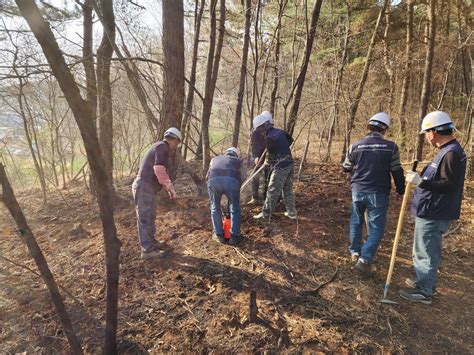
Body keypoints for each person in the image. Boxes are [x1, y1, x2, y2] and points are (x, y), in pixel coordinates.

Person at [399, 111, 466, 304]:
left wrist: (421, 182)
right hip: (431, 210)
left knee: (426, 252)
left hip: (435, 212)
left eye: (427, 132)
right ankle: (424, 281)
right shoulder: (446, 151)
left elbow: (448, 185)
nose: (426, 136)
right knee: (423, 249)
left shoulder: (451, 153)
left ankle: (425, 291)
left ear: (434, 132)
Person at [342, 112, 405, 275]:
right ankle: (364, 259)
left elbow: (346, 167)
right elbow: (396, 169)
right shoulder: (391, 147)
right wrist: (401, 189)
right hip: (378, 192)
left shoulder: (355, 146)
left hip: (358, 190)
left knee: (356, 221)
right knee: (376, 227)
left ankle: (355, 253)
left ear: (368, 127)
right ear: (385, 129)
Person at [132, 127, 181, 260]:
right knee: (144, 217)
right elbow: (159, 169)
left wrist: (166, 187)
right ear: (174, 140)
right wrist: (169, 186)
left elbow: (159, 171)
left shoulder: (159, 147)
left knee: (151, 215)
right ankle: (147, 250)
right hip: (144, 186)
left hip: (149, 187)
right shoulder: (162, 147)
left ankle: (151, 242)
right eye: (177, 143)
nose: (176, 146)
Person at [252, 113, 297, 220]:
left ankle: (266, 214)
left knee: (272, 190)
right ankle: (292, 213)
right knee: (287, 189)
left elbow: (270, 158)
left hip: (280, 167)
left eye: (259, 130)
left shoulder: (269, 138)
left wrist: (265, 163)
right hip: (290, 163)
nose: (260, 132)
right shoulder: (280, 132)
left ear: (263, 127)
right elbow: (290, 141)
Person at [207, 147, 244, 246]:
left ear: (226, 153)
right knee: (235, 208)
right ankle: (234, 237)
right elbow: (242, 176)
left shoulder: (215, 159)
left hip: (213, 181)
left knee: (215, 207)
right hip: (231, 182)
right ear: (236, 155)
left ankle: (219, 235)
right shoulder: (237, 161)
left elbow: (208, 175)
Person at [248, 111, 270, 205]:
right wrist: (256, 158)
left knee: (267, 177)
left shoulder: (270, 131)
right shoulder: (255, 133)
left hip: (268, 157)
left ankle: (266, 197)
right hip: (258, 157)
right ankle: (254, 197)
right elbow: (253, 146)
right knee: (255, 177)